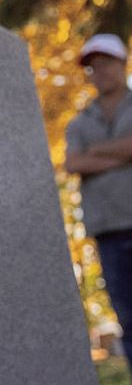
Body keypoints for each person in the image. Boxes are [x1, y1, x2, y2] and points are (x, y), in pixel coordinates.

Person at [63, 33, 132, 366]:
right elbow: (73, 162)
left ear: (123, 64)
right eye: (93, 68)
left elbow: (85, 158)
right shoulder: (78, 123)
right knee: (128, 317)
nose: (100, 72)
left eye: (106, 64)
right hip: (109, 232)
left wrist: (96, 152)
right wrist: (122, 153)